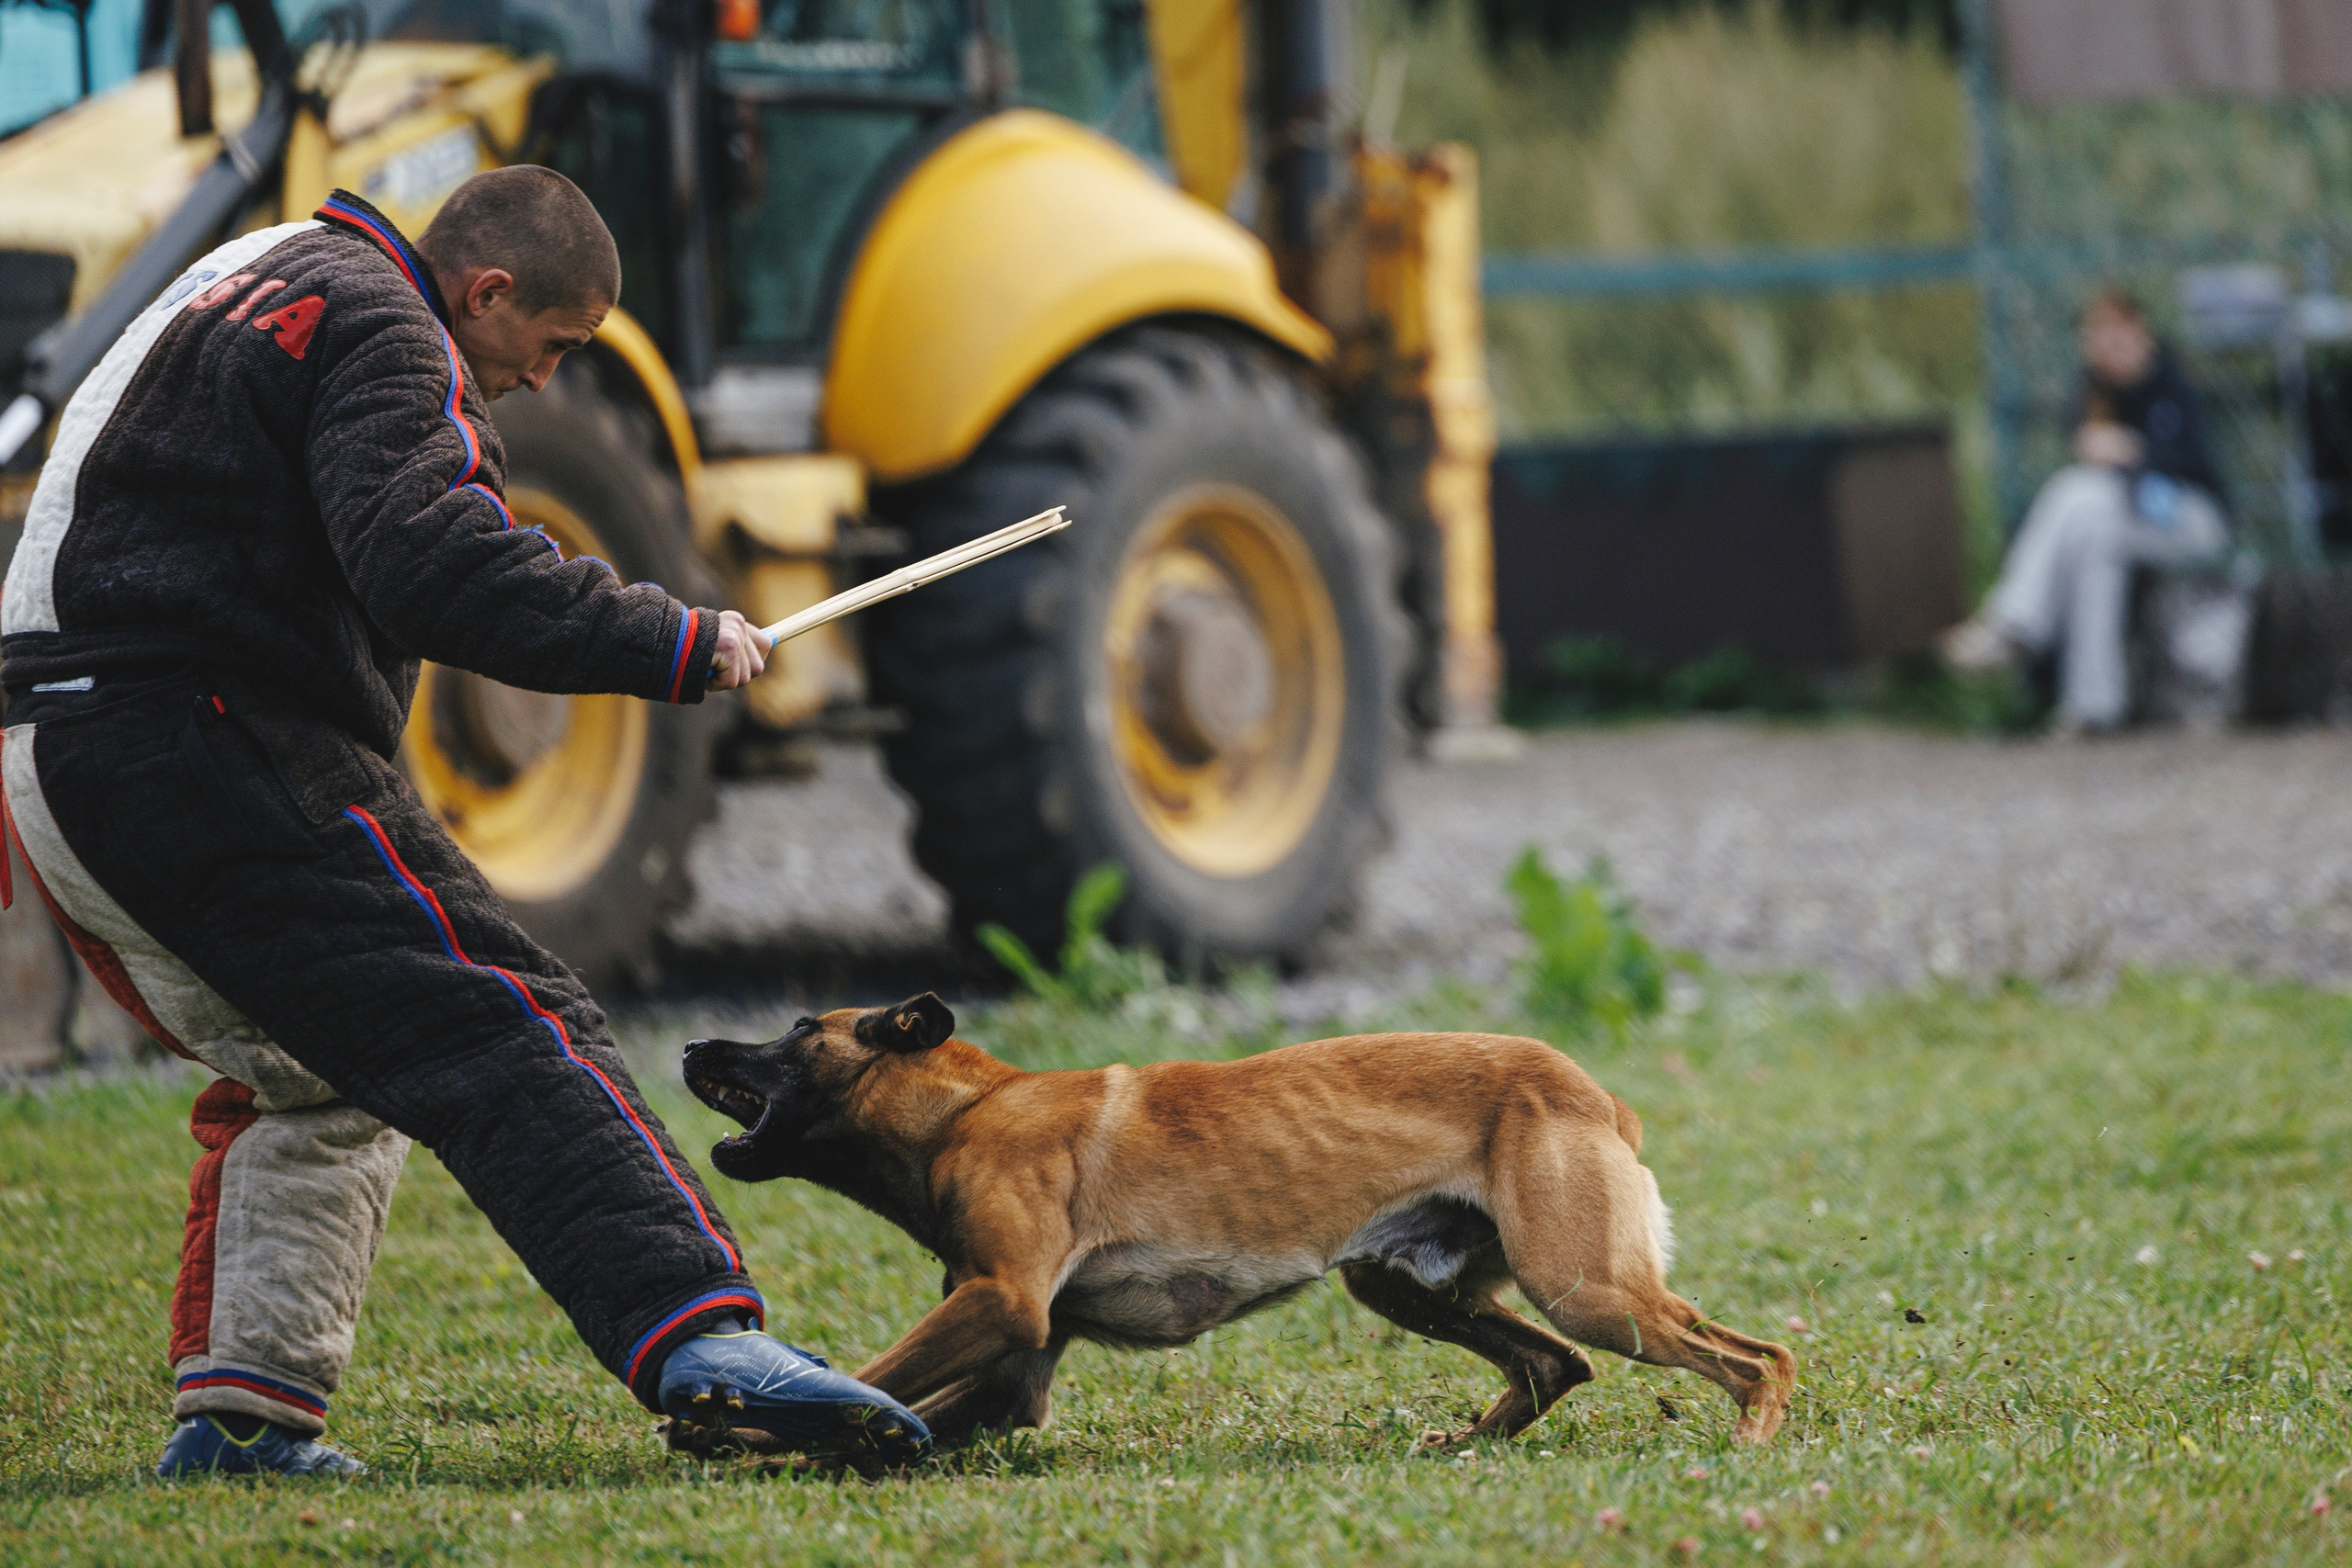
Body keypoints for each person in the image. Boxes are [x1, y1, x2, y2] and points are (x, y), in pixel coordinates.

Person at [0, 169, 930, 1475]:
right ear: (485, 293)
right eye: (550, 347)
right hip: (203, 732)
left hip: (53, 752)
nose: (544, 383)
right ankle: (704, 1342)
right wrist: (668, 636)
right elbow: (434, 559)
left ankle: (243, 1425)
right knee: (505, 1011)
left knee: (319, 1062)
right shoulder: (391, 324)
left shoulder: (263, 265)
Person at [1941, 285, 2229, 731]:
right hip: (2121, 520)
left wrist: (2137, 451)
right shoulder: (2093, 393)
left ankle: (2015, 622)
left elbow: (2193, 462)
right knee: (2093, 546)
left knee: (2075, 493)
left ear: (2141, 331)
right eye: (2098, 336)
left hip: (2193, 519)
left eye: (2117, 333)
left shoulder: (2173, 381)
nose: (2108, 347)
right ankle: (2095, 706)